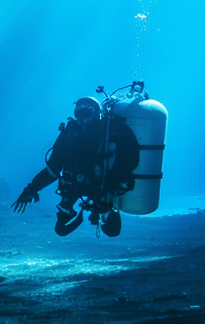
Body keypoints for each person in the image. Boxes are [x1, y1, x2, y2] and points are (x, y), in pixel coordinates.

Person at [12, 96, 140, 236]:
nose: (82, 118)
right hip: (75, 185)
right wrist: (32, 188)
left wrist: (113, 181)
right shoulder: (70, 133)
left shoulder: (112, 130)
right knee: (60, 229)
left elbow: (130, 158)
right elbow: (54, 168)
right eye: (78, 112)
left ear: (96, 112)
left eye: (86, 112)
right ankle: (89, 214)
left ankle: (105, 212)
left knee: (113, 231)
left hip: (103, 186)